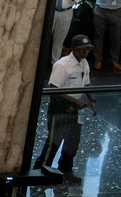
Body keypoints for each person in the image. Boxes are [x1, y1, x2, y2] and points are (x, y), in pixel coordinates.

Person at [34, 35, 97, 185]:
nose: (85, 53)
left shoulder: (84, 64)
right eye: (82, 50)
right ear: (73, 49)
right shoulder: (63, 65)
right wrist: (75, 101)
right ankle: (41, 172)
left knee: (72, 142)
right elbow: (54, 89)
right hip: (60, 109)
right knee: (53, 142)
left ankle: (65, 170)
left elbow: (86, 83)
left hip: (76, 110)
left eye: (87, 49)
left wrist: (91, 99)